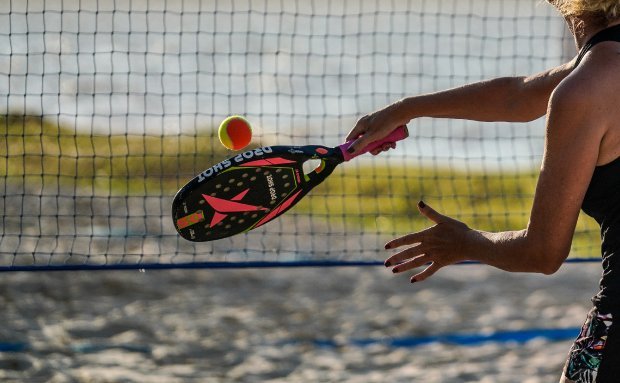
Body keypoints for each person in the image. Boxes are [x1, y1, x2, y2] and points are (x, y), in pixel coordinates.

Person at [345, 1, 620, 381]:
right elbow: (518, 95)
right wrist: (406, 108)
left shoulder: (588, 86)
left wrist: (464, 241)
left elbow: (542, 252)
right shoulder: (592, 73)